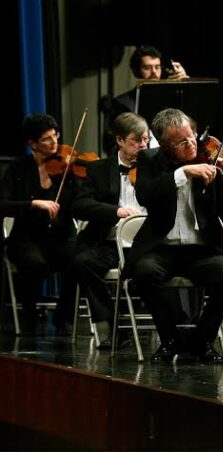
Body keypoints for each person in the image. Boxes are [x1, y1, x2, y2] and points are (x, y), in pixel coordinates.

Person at [124, 108, 223, 363]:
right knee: (144, 273)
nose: (191, 143)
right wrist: (183, 174)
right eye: (182, 141)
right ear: (166, 145)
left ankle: (202, 342)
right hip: (161, 248)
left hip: (202, 249)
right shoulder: (150, 160)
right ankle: (170, 341)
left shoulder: (211, 160)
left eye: (192, 136)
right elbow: (145, 195)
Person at [70, 113, 149, 349]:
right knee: (82, 262)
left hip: (147, 244)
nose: (142, 146)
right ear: (120, 140)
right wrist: (115, 211)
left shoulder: (156, 166)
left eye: (145, 140)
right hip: (112, 243)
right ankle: (108, 328)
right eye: (136, 140)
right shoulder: (99, 169)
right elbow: (79, 205)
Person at [0, 113, 78, 335]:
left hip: (60, 237)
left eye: (56, 135)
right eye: (47, 139)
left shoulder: (67, 169)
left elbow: (79, 202)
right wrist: (34, 203)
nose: (55, 142)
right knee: (34, 263)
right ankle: (29, 315)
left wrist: (73, 179)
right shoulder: (18, 169)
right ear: (32, 144)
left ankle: (63, 316)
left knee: (79, 260)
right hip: (26, 239)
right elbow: (3, 203)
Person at [104, 45, 188, 153]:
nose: (154, 72)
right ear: (136, 71)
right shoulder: (122, 103)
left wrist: (185, 84)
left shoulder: (172, 99)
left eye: (157, 67)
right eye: (147, 68)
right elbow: (115, 146)